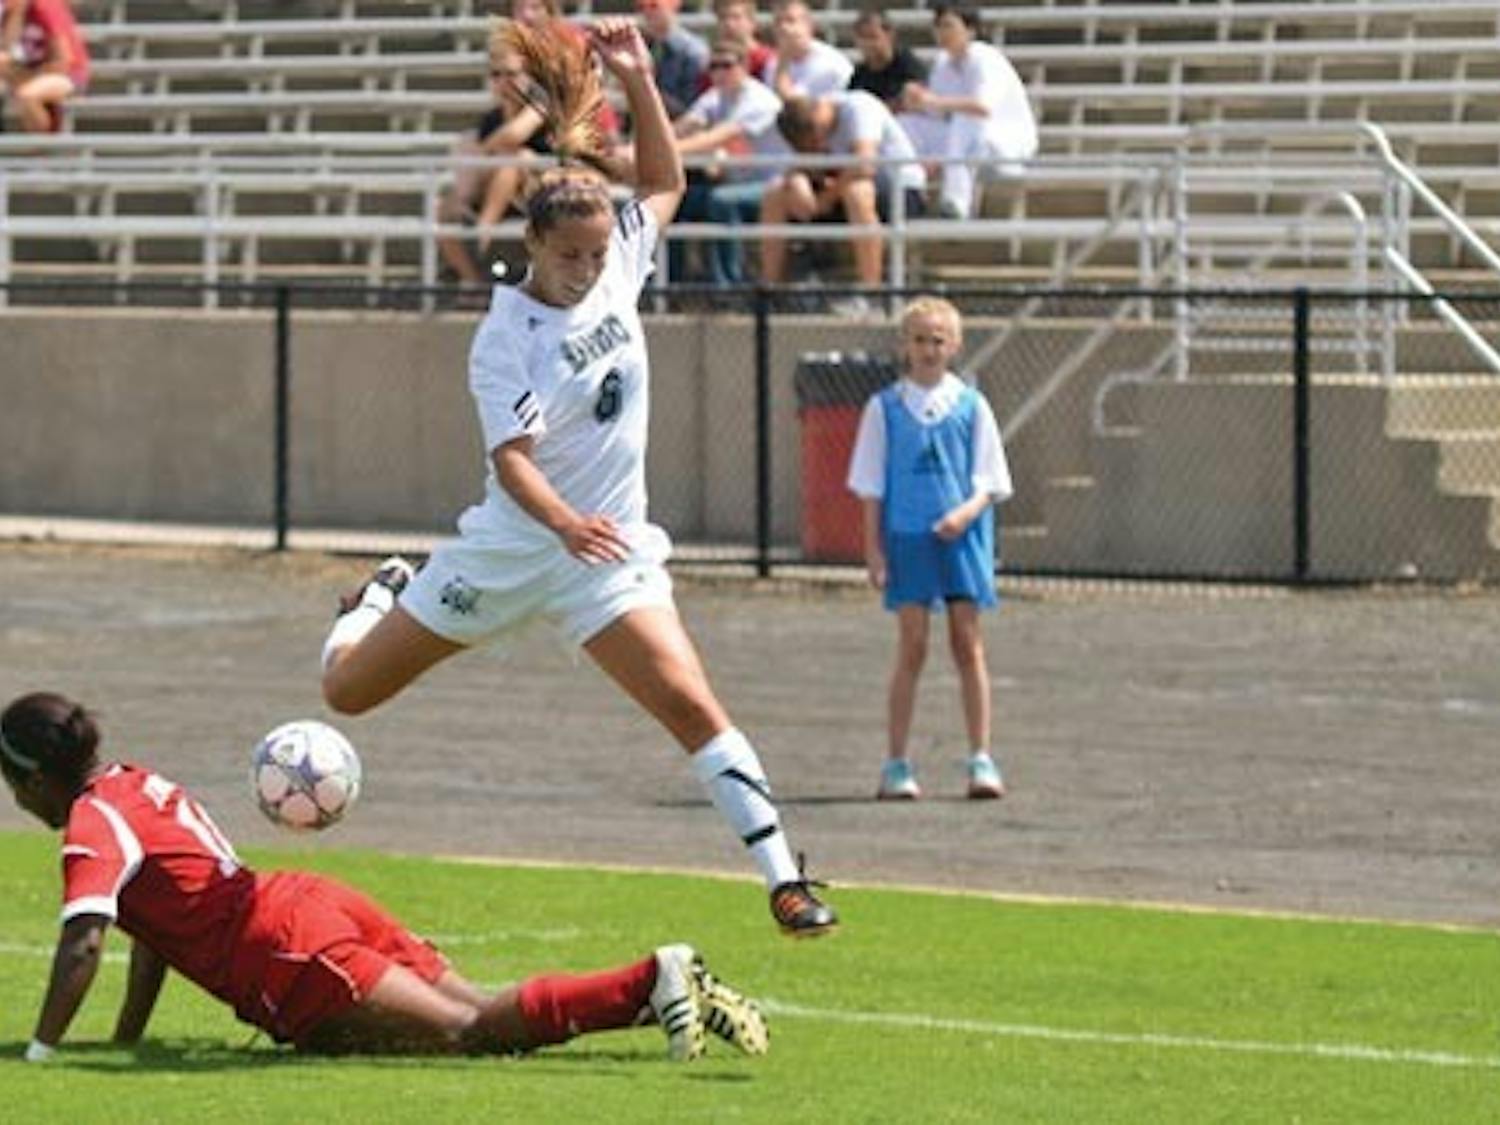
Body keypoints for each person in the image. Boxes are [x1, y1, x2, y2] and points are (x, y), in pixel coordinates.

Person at [319, 18, 836, 938]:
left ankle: (785, 876)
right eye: (573, 256)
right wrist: (561, 525)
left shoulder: (617, 262)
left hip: (606, 558)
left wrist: (637, 78)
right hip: (517, 548)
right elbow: (512, 462)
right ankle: (381, 592)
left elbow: (668, 181)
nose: (592, 267)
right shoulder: (505, 339)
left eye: (600, 253)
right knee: (348, 693)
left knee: (691, 701)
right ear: (534, 243)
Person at [1, 690, 770, 1062]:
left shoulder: (89, 823)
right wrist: (127, 1037)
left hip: (283, 949)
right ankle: (669, 995)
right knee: (476, 1008)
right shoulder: (134, 782)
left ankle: (650, 975)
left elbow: (85, 943)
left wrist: (40, 1053)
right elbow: (158, 930)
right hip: (306, 900)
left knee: (467, 1034)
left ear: (33, 779)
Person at [844, 297, 1013, 801]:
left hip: (962, 540)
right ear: (904, 345)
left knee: (967, 643)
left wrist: (966, 512)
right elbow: (870, 484)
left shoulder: (971, 405)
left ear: (955, 346)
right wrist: (873, 550)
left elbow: (991, 478)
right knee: (912, 646)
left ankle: (981, 758)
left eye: (938, 340)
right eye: (919, 339)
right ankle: (896, 763)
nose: (928, 349)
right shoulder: (884, 409)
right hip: (908, 537)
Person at [758, 89, 925, 299]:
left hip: (900, 191)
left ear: (818, 115)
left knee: (857, 191)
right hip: (842, 195)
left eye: (816, 137)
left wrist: (825, 199)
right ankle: (768, 293)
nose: (819, 145)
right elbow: (802, 166)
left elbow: (865, 165)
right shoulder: (806, 130)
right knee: (775, 194)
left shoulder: (859, 107)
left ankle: (871, 295)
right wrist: (796, 180)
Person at [900, 5, 1037, 220]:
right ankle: (909, 189)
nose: (942, 33)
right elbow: (938, 114)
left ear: (970, 30)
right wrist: (918, 102)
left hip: (1005, 147)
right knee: (908, 123)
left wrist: (932, 101)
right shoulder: (942, 63)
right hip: (966, 144)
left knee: (966, 118)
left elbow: (982, 107)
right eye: (937, 27)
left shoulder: (985, 58)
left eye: (948, 26)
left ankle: (956, 204)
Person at [437, 35, 551, 286]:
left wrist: (485, 149)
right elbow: (479, 163)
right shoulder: (490, 119)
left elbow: (512, 137)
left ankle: (480, 239)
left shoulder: (542, 104)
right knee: (444, 207)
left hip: (538, 198)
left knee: (513, 160)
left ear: (529, 74)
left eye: (511, 74)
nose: (503, 82)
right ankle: (474, 284)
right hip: (495, 194)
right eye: (495, 75)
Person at [672, 38, 782, 285]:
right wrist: (645, 146)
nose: (719, 72)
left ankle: (730, 289)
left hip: (772, 185)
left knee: (722, 201)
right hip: (733, 181)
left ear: (744, 66)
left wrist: (659, 152)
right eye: (714, 66)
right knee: (674, 198)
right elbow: (684, 127)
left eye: (726, 65)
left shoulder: (758, 100)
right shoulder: (715, 96)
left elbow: (715, 138)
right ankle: (672, 285)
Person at [0, 0, 89, 134]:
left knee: (27, 95)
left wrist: (30, 77)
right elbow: (7, 48)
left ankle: (45, 146)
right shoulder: (12, 13)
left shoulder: (45, 6)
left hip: (68, 74)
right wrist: (16, 15)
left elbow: (63, 60)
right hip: (35, 71)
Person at [847, 8, 927, 118]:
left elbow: (915, 99)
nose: (867, 44)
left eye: (872, 37)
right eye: (862, 37)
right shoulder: (860, 74)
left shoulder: (906, 64)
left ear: (889, 35)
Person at [764, 0, 851, 101]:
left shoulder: (831, 64)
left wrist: (783, 62)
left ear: (809, 25)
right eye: (778, 21)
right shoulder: (772, 64)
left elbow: (793, 104)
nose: (783, 28)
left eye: (791, 20)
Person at [636, 0, 708, 121]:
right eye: (641, 7)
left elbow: (693, 110)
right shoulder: (644, 45)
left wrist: (644, 86)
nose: (647, 12)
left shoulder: (693, 51)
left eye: (654, 5)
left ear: (675, 5)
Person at [706, 0, 774, 88]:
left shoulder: (767, 61)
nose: (729, 24)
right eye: (723, 18)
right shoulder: (713, 64)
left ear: (752, 22)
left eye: (736, 17)